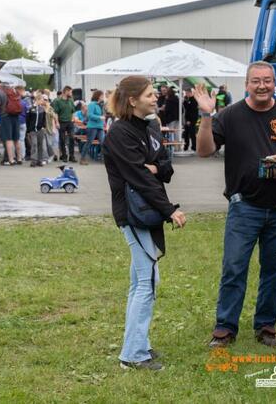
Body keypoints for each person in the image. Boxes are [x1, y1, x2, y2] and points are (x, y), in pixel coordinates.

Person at [194, 61, 276, 348]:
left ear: (274, 83)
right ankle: (225, 328)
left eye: (267, 81)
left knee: (274, 271)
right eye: (256, 81)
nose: (262, 86)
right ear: (246, 84)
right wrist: (207, 116)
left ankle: (266, 326)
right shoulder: (230, 116)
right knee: (234, 267)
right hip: (244, 207)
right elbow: (204, 151)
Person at [103, 76, 186, 371]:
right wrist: (169, 210)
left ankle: (138, 345)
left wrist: (154, 167)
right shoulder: (119, 134)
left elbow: (166, 168)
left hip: (148, 210)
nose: (156, 98)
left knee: (142, 281)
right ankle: (133, 355)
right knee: (146, 283)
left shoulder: (150, 127)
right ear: (132, 100)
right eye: (150, 95)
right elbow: (138, 177)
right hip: (134, 214)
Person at [80, 90, 106, 165]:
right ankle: (82, 159)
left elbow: (103, 115)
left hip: (100, 127)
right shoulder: (91, 104)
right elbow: (89, 115)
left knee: (103, 143)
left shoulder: (100, 105)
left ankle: (105, 159)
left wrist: (102, 119)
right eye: (102, 95)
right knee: (89, 142)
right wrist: (99, 117)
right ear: (98, 96)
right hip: (92, 127)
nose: (103, 97)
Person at [53, 86, 76, 162]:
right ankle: (64, 155)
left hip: (70, 122)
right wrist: (57, 122)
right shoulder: (57, 101)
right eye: (70, 92)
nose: (71, 93)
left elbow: (73, 111)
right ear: (66, 91)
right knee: (62, 139)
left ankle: (72, 156)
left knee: (72, 138)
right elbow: (56, 112)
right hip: (61, 122)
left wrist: (73, 119)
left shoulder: (71, 100)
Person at [26, 94, 48, 167]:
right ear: (37, 100)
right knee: (34, 144)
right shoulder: (31, 109)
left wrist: (44, 126)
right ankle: (33, 160)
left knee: (40, 145)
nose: (42, 101)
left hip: (40, 130)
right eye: (41, 100)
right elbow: (28, 120)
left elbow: (44, 119)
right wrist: (28, 130)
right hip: (33, 130)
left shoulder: (42, 109)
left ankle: (40, 160)